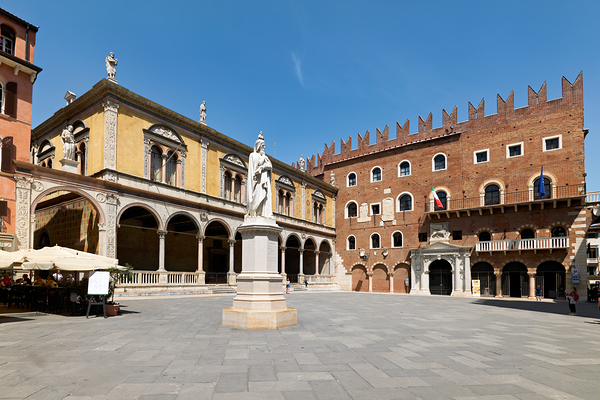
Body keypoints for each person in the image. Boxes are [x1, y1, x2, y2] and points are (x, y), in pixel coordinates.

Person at [247, 132, 273, 218]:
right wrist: (262, 159)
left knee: (265, 195)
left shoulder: (265, 157)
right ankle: (256, 212)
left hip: (264, 180)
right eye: (262, 145)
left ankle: (264, 213)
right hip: (257, 181)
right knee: (257, 196)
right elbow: (253, 167)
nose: (264, 147)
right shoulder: (252, 155)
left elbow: (270, 166)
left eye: (264, 145)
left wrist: (263, 167)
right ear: (258, 146)